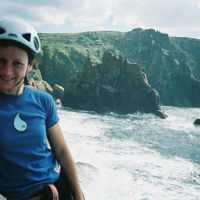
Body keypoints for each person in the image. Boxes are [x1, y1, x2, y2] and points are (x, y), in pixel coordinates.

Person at [0, 18, 84, 200]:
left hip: (58, 190)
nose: (6, 71)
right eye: (1, 60)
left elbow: (61, 150)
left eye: (17, 63)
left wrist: (79, 194)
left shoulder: (43, 100)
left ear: (30, 65)